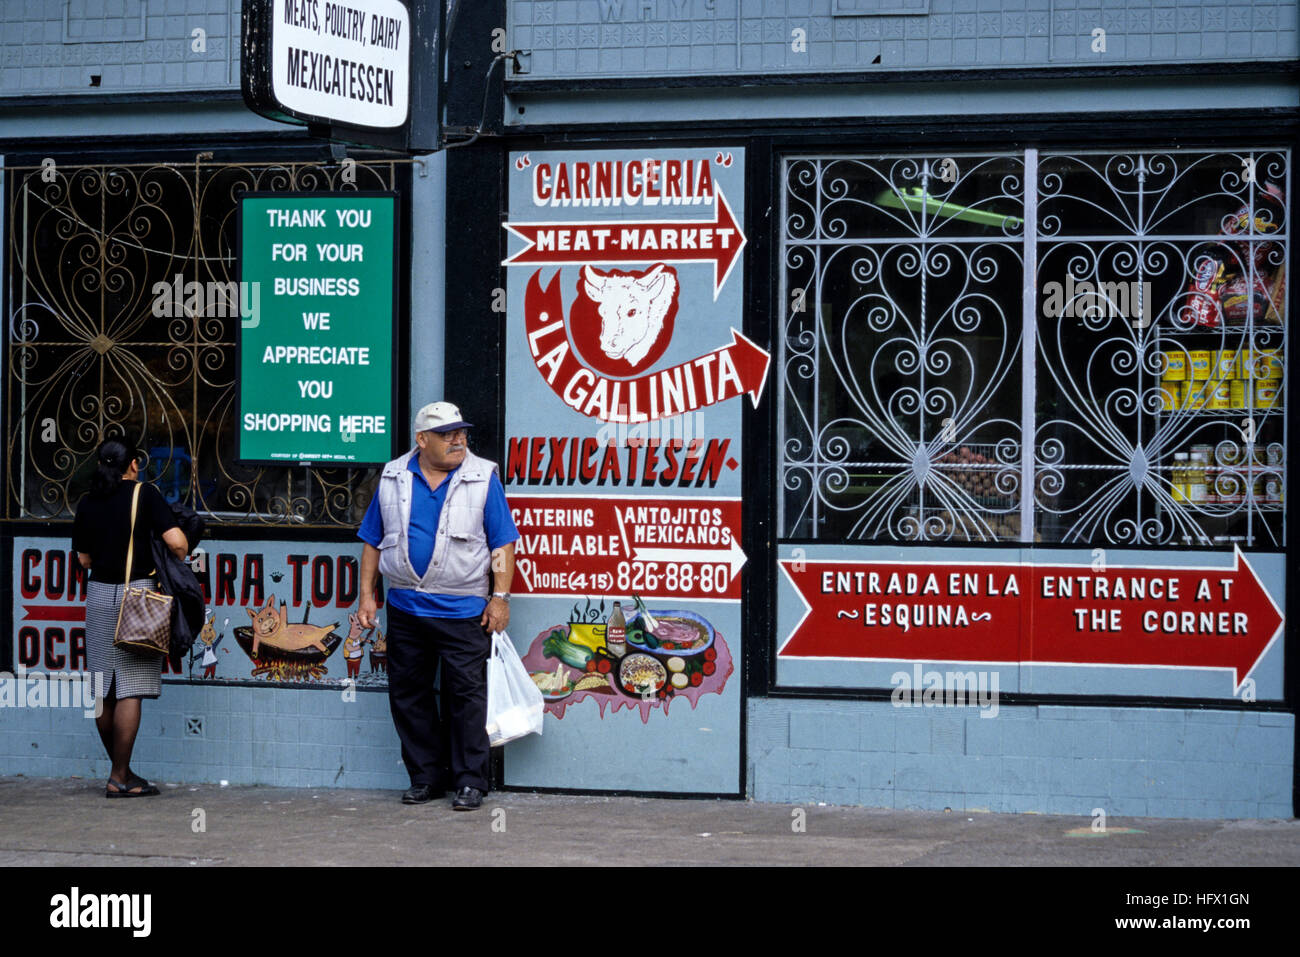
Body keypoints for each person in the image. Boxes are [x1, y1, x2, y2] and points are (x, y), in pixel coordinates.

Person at [357, 402, 519, 811]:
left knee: (466, 697)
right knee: (409, 695)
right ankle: (425, 777)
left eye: (461, 432)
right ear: (422, 440)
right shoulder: (393, 475)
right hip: (407, 608)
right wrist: (366, 595)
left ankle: (469, 781)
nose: (458, 439)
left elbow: (502, 541)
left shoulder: (482, 477)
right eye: (447, 434)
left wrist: (500, 597)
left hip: (464, 611)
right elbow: (372, 539)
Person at [73, 440, 189, 797]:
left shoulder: (87, 501)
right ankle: (120, 776)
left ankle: (120, 772)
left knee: (103, 689)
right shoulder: (145, 495)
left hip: (99, 596)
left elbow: (84, 561)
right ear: (134, 464)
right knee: (131, 687)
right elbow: (179, 544)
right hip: (136, 596)